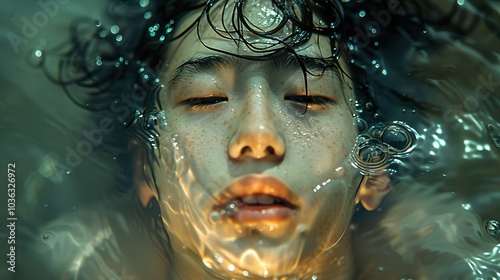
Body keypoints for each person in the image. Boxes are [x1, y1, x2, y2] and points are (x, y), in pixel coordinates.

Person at [27, 0, 499, 279]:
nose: (257, 137)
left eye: (307, 97)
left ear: (374, 172)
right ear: (144, 171)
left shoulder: (437, 249)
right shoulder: (76, 259)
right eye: (205, 99)